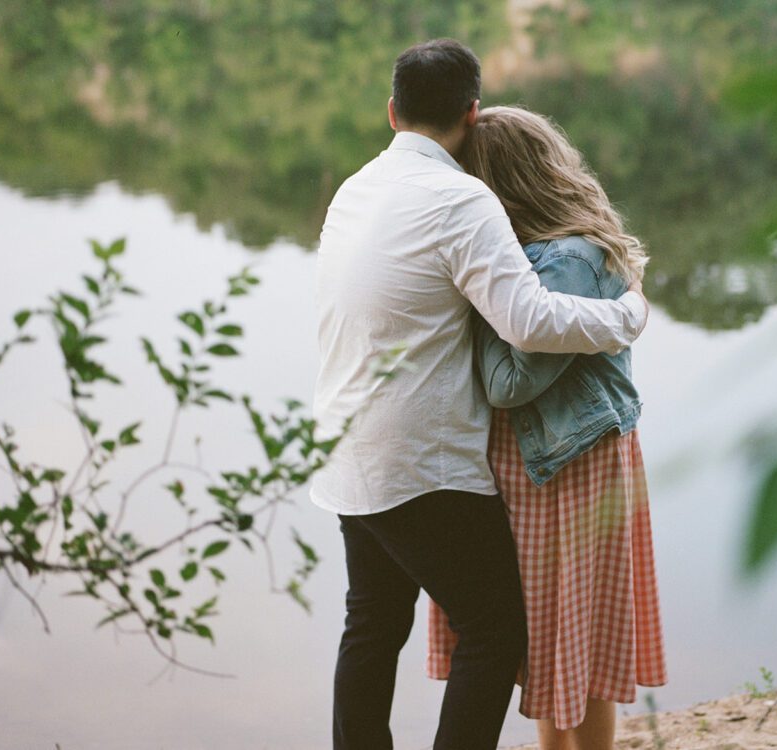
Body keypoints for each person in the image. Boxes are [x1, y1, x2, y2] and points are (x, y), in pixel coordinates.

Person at [311, 39, 649, 750]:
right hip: (421, 463)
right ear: (471, 110)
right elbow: (528, 320)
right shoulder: (462, 198)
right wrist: (625, 316)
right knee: (494, 631)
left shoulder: (356, 188)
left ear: (391, 111)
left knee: (371, 621)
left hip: (345, 445)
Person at [425, 105, 668, 750]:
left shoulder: (568, 260)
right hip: (533, 462)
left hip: (569, 464)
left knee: (575, 638)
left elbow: (510, 385)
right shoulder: (522, 254)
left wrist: (468, 306)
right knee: (543, 635)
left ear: (494, 182)